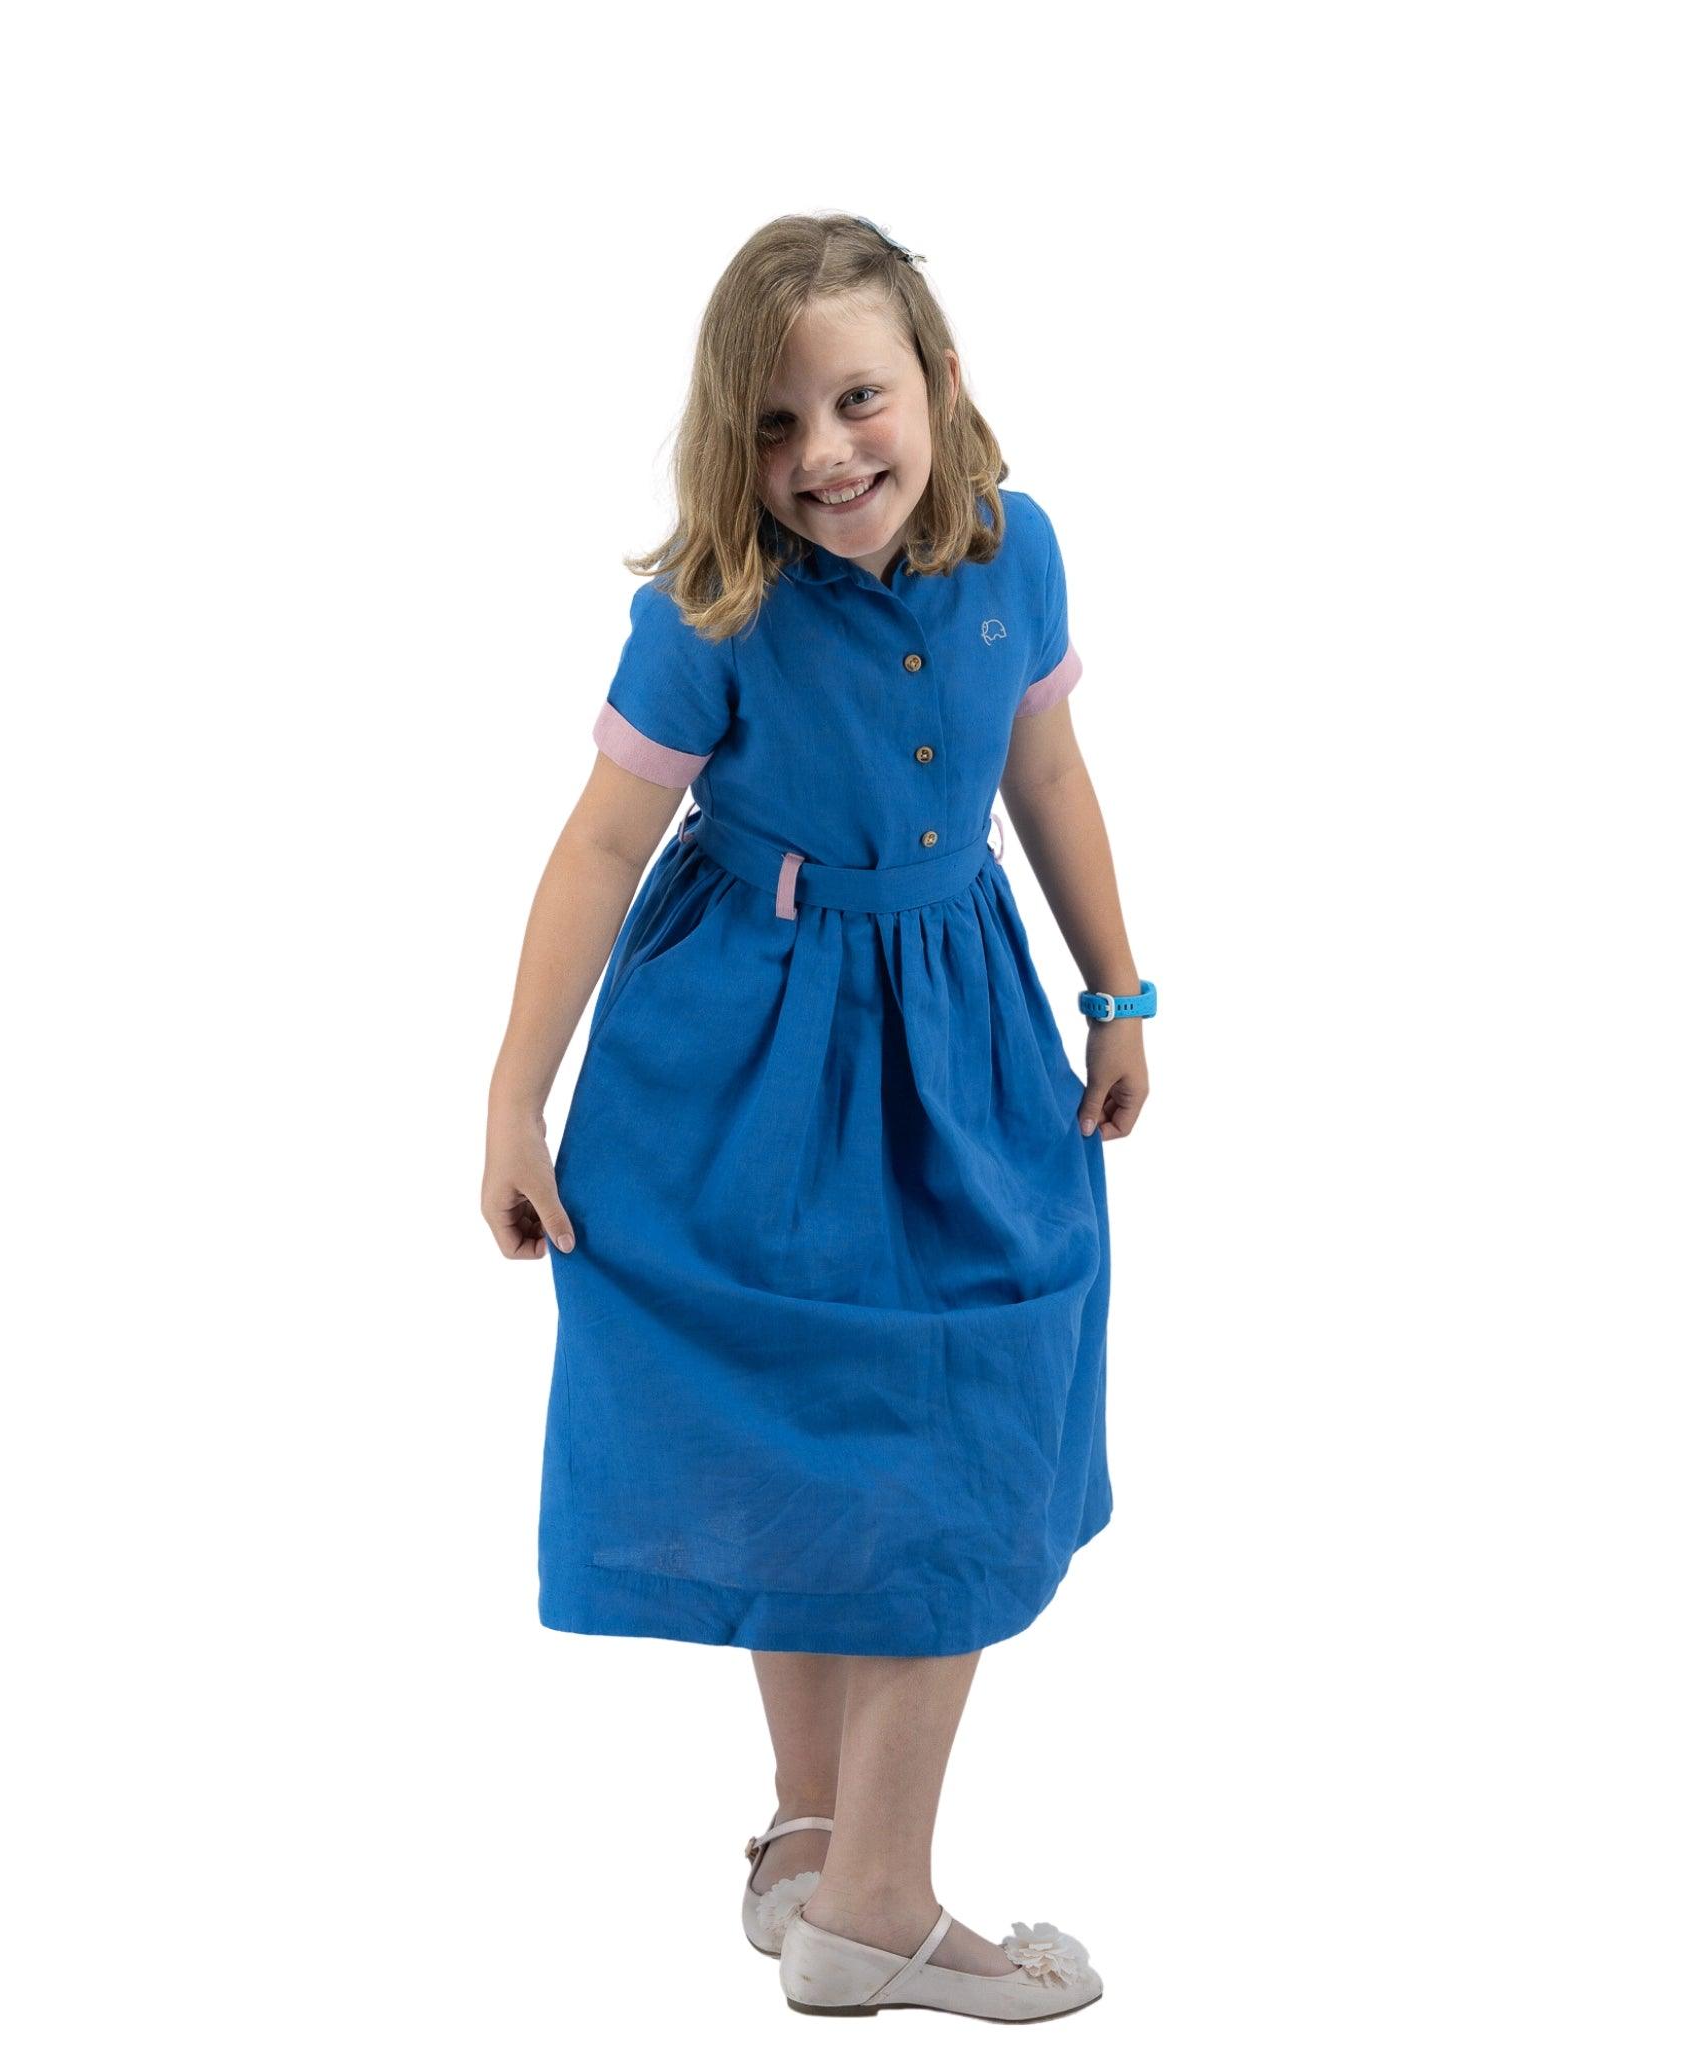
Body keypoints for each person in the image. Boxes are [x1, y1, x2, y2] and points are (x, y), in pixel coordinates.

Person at [482, 211, 1153, 2023]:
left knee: (966, 1424)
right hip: (744, 1057)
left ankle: (829, 1855)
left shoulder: (1019, 557)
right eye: (773, 428)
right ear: (727, 443)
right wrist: (514, 1098)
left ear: (937, 381)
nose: (823, 456)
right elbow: (607, 841)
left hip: (958, 1038)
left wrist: (1116, 986)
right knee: (806, 1428)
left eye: (859, 400)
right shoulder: (713, 604)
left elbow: (1049, 771)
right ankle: (857, 1885)